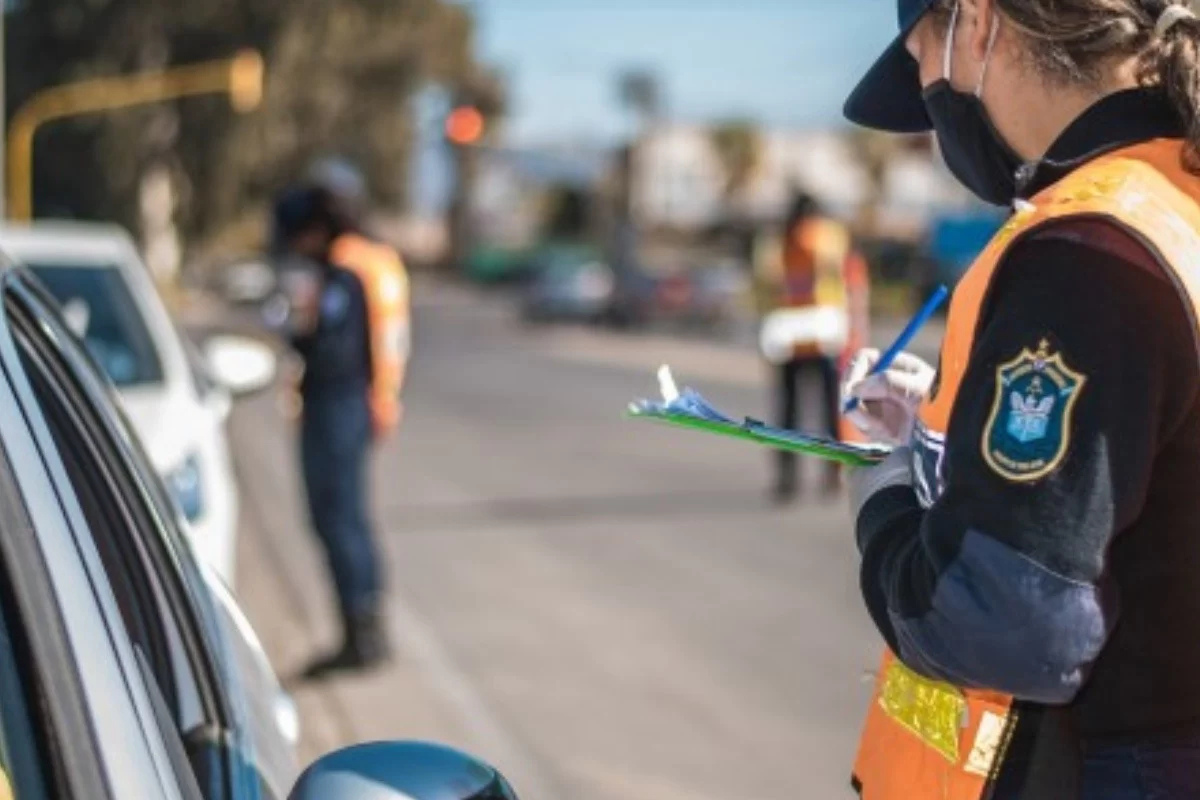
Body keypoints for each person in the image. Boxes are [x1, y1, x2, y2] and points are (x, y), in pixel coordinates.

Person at [839, 0, 1200, 797]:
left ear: (974, 24)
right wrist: (946, 439)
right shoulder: (1173, 201)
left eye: (920, 56)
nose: (927, 97)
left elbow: (1004, 621)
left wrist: (884, 497)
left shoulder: (1089, 250)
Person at [271, 185, 410, 679]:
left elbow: (333, 350)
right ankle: (363, 630)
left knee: (338, 518)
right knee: (345, 517)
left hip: (339, 405)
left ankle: (361, 635)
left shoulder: (342, 276)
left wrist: (300, 335)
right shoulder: (358, 265)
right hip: (350, 405)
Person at [755, 191, 869, 503]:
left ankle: (790, 477)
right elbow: (849, 282)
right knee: (824, 410)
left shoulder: (780, 240)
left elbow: (766, 280)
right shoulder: (830, 235)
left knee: (792, 411)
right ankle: (828, 475)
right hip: (815, 334)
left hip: (801, 334)